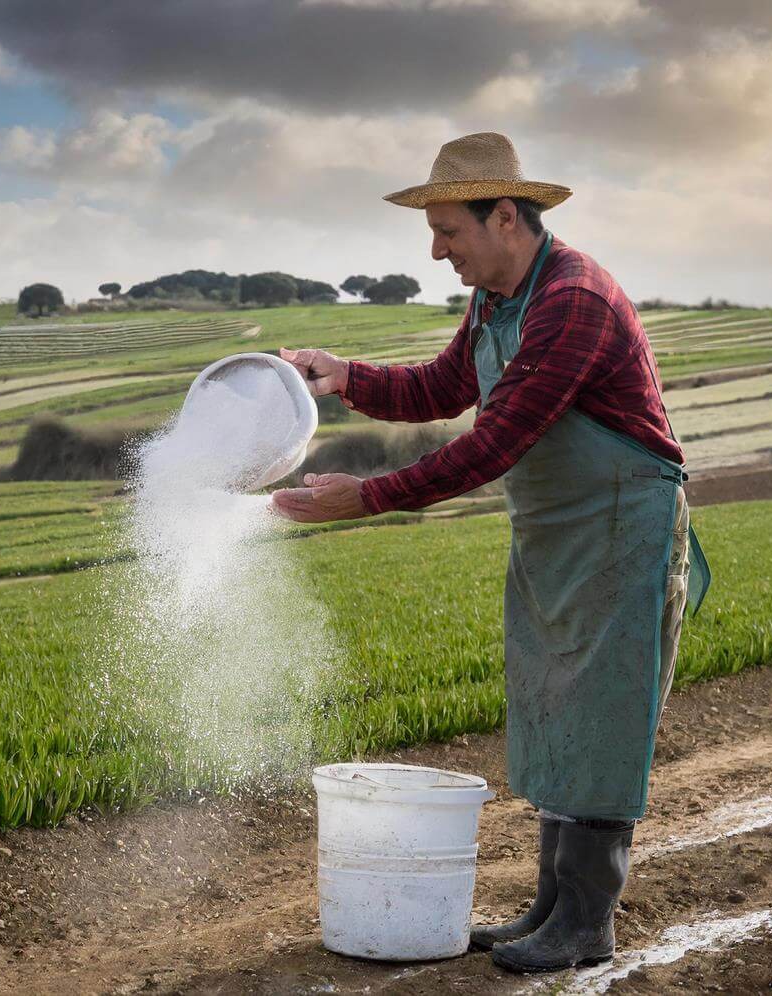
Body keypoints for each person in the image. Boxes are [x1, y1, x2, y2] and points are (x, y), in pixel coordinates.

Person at [271, 132, 709, 973]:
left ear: (504, 215)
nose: (437, 251)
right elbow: (442, 388)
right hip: (555, 531)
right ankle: (548, 907)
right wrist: (343, 374)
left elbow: (493, 443)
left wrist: (363, 498)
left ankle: (586, 921)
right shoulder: (499, 301)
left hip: (621, 522)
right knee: (552, 702)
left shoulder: (573, 299)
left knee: (601, 715)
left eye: (449, 232)